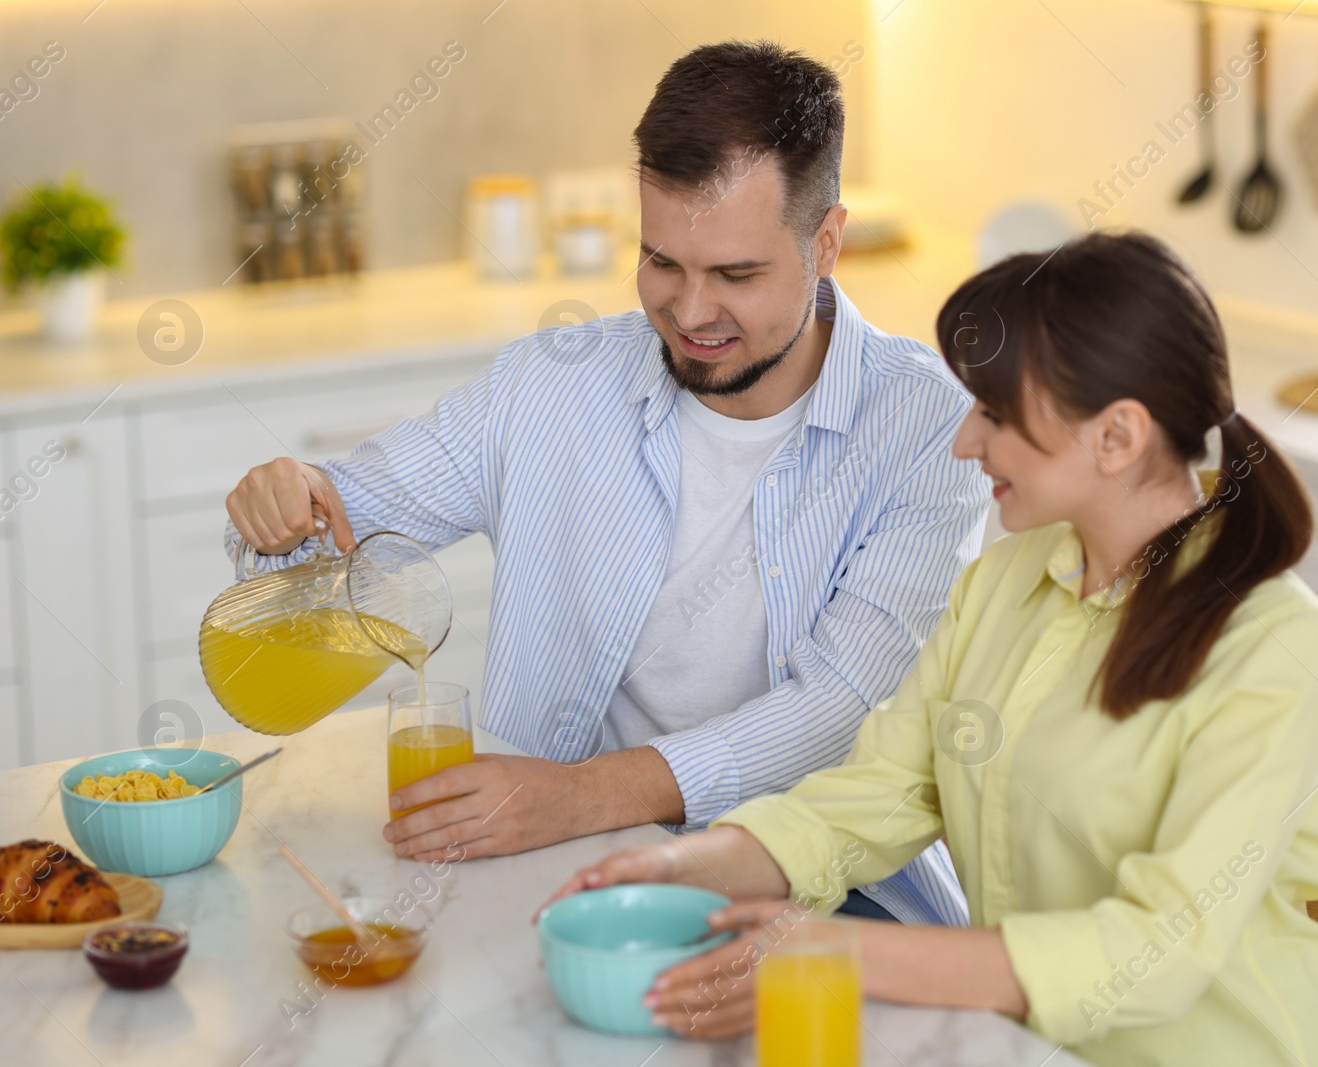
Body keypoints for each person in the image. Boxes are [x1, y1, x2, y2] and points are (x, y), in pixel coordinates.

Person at [543, 231, 1318, 1065]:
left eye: (998, 414)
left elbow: (1158, 947)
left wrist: (840, 952)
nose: (964, 441)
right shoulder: (1003, 585)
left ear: (1118, 436)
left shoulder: (1274, 644)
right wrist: (684, 868)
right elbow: (880, 793)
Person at [221, 41, 988, 926]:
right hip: (561, 865)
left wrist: (578, 795)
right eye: (662, 262)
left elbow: (836, 712)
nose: (692, 313)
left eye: (736, 275)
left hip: (824, 889)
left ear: (827, 242)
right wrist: (283, 504)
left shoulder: (930, 427)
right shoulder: (552, 385)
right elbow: (331, 529)